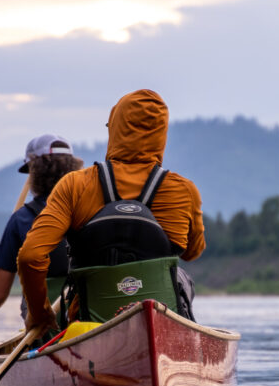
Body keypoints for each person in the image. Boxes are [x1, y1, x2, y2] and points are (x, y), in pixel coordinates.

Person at [17, 89, 205, 333]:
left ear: (114, 129)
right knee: (181, 276)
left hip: (88, 323)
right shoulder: (184, 190)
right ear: (162, 134)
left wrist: (40, 314)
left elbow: (29, 257)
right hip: (161, 322)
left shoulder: (74, 186)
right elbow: (193, 252)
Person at [0, 134, 83, 333]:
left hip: (46, 332)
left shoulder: (22, 220)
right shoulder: (94, 209)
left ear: (35, 172)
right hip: (88, 320)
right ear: (74, 169)